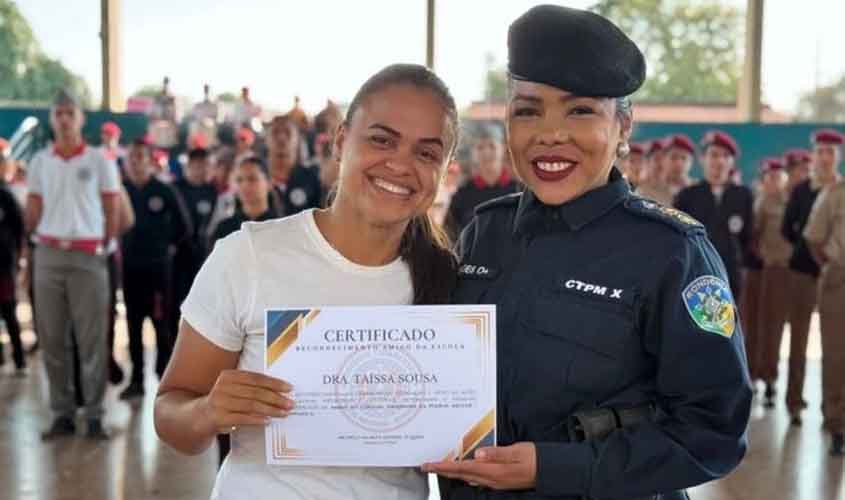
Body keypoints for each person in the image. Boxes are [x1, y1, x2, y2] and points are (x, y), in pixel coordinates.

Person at [424, 6, 751, 499]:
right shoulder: (484, 232)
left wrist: (555, 466)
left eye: (580, 111)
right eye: (527, 110)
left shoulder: (674, 253)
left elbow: (714, 429)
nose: (550, 134)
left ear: (623, 128)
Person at [154, 63, 458, 499]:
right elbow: (170, 416)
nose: (400, 164)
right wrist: (207, 411)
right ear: (339, 142)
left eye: (426, 153)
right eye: (381, 139)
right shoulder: (250, 255)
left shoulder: (451, 286)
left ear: (445, 169)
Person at [26, 90, 120, 440]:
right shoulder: (40, 161)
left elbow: (111, 208)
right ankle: (62, 413)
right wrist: (29, 243)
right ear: (52, 119)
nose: (64, 119)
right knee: (52, 338)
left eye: (69, 113)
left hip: (88, 255)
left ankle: (94, 415)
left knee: (91, 338)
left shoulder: (98, 160)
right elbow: (33, 208)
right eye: (58, 113)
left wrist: (105, 246)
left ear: (81, 119)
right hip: (48, 254)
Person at [120, 139, 191, 399]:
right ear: (125, 163)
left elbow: (184, 227)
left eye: (141, 157)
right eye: (131, 158)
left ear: (151, 161)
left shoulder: (164, 190)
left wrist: (165, 247)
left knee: (162, 325)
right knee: (132, 325)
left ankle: (165, 380)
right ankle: (136, 379)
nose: (136, 162)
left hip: (159, 271)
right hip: (129, 269)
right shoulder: (121, 190)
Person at [781, 129, 842, 423]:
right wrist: (810, 254)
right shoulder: (802, 190)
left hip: (837, 278)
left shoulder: (841, 191)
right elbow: (787, 227)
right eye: (820, 151)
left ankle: (832, 411)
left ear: (838, 157)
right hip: (802, 273)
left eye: (831, 152)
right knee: (799, 340)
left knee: (835, 345)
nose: (825, 158)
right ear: (813, 156)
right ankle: (794, 401)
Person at [802, 131, 844, 454]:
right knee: (836, 355)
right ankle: (837, 425)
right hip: (839, 281)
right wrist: (830, 262)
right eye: (823, 151)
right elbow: (814, 237)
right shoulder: (834, 193)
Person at [674, 129, 752, 298]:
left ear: (732, 162)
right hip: (695, 274)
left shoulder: (743, 195)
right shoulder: (687, 196)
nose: (719, 161)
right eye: (714, 155)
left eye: (725, 156)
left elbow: (747, 237)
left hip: (730, 274)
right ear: (703, 159)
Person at [169, 147, 218, 356]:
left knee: (205, 308)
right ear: (188, 167)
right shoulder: (174, 189)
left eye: (205, 166)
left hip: (205, 257)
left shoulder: (214, 192)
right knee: (175, 306)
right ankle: (173, 352)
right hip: (178, 257)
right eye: (196, 166)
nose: (200, 171)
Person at [753, 157, 792, 409]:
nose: (775, 182)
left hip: (782, 270)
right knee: (753, 324)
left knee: (775, 326)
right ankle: (752, 374)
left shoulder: (788, 203)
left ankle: (770, 377)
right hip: (761, 269)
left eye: (779, 177)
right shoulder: (760, 203)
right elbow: (752, 236)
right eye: (770, 177)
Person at [444, 124, 519, 240]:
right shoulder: (462, 195)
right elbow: (449, 236)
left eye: (492, 146)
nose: (486, 152)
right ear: (473, 152)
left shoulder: (520, 191)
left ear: (503, 148)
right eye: (480, 147)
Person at [265, 114, 322, 215]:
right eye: (275, 132)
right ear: (266, 139)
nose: (281, 137)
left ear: (298, 139)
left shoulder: (311, 178)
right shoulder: (256, 176)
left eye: (288, 132)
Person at [0, 169, 25, 374]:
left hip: (4, 264)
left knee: (9, 312)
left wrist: (18, 258)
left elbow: (19, 228)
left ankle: (19, 359)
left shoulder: (6, 196)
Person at [636, 138, 672, 204]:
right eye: (657, 159)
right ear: (647, 162)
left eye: (664, 159)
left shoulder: (670, 190)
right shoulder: (639, 190)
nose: (661, 163)